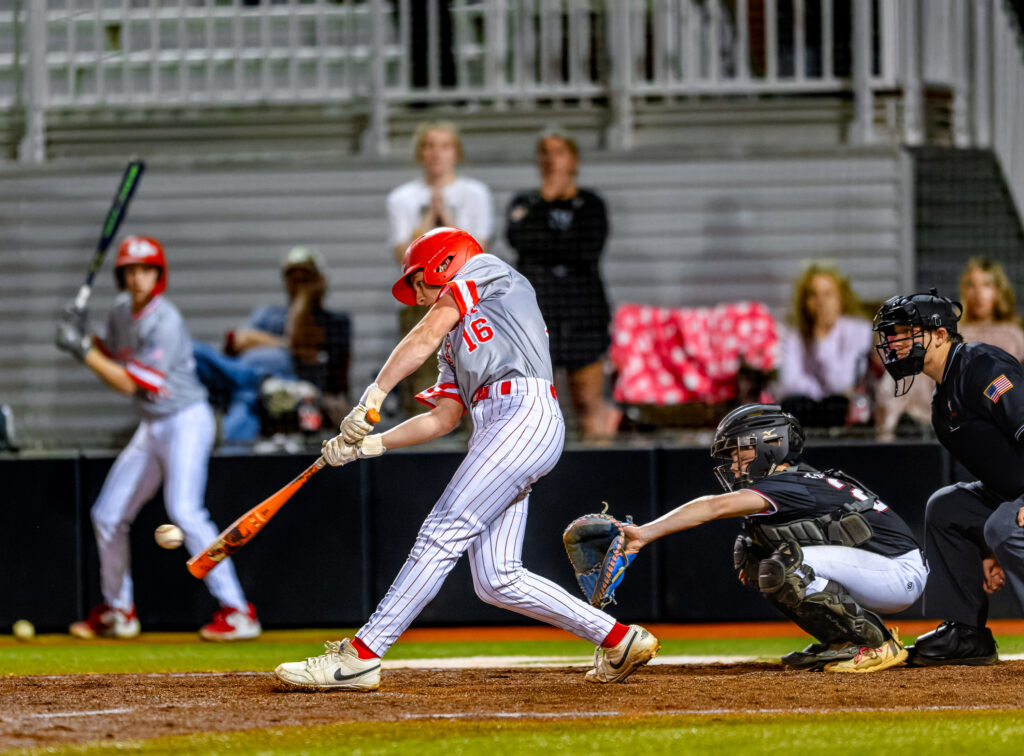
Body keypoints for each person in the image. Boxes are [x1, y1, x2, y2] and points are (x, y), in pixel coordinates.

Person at [273, 227, 659, 690]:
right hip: (498, 427)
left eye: (419, 282)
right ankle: (618, 639)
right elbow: (443, 418)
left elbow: (424, 332)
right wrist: (369, 445)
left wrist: (371, 398)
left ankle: (361, 656)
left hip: (523, 413)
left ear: (444, 263)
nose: (418, 296)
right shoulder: (455, 342)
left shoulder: (487, 269)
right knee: (497, 579)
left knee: (441, 533)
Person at [55, 235, 261, 641]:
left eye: (146, 270)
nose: (138, 278)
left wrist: (83, 351)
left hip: (187, 420)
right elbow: (111, 355)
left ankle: (239, 611)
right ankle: (120, 611)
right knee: (107, 514)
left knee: (185, 510)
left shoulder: (166, 320)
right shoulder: (120, 311)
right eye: (130, 270)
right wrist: (82, 335)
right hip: (153, 425)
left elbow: (128, 384)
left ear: (158, 275)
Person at [621, 403, 925, 673]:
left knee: (784, 565)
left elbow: (713, 507)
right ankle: (843, 640)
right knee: (754, 555)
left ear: (772, 443)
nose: (734, 464)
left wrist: (643, 534)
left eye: (740, 451)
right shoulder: (794, 480)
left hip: (897, 572)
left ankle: (875, 643)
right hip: (881, 568)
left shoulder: (789, 483)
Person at [874, 289, 1024, 666]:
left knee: (1005, 525)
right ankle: (966, 633)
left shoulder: (982, 365)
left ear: (940, 335)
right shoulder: (942, 401)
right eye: (892, 334)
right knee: (947, 508)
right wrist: (987, 549)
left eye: (907, 332)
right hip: (1012, 491)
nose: (895, 342)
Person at [505, 129, 620, 439]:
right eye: (544, 152)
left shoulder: (591, 204)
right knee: (539, 404)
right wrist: (545, 200)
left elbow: (587, 249)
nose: (551, 160)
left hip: (583, 313)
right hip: (538, 314)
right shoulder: (525, 202)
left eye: (559, 152)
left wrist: (544, 246)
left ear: (573, 160)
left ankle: (598, 461)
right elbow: (519, 239)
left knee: (586, 400)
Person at [386, 121, 494, 420]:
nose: (436, 154)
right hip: (422, 303)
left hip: (469, 301)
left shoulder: (476, 194)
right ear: (419, 152)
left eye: (445, 146)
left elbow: (476, 254)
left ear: (456, 152)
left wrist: (445, 218)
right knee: (423, 380)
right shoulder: (402, 198)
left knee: (476, 378)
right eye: (429, 146)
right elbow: (403, 257)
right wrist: (428, 218)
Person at [192, 246, 351, 443]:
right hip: (239, 375)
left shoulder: (332, 323)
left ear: (319, 282)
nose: (298, 285)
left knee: (243, 412)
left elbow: (299, 343)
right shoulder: (270, 314)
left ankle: (229, 448)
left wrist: (304, 299)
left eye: (305, 279)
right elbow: (237, 341)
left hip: (276, 387)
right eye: (293, 279)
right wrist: (283, 343)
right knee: (192, 351)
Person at [874, 257, 1024, 441]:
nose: (978, 293)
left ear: (998, 291)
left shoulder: (1014, 335)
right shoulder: (951, 330)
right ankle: (914, 423)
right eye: (971, 285)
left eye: (986, 285)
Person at [777, 263, 875, 428]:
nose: (820, 302)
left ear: (840, 298)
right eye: (813, 295)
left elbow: (842, 382)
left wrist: (821, 340)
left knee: (837, 404)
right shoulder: (794, 337)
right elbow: (789, 383)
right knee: (794, 406)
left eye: (827, 294)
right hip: (808, 411)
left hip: (844, 413)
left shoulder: (860, 331)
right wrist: (820, 393)